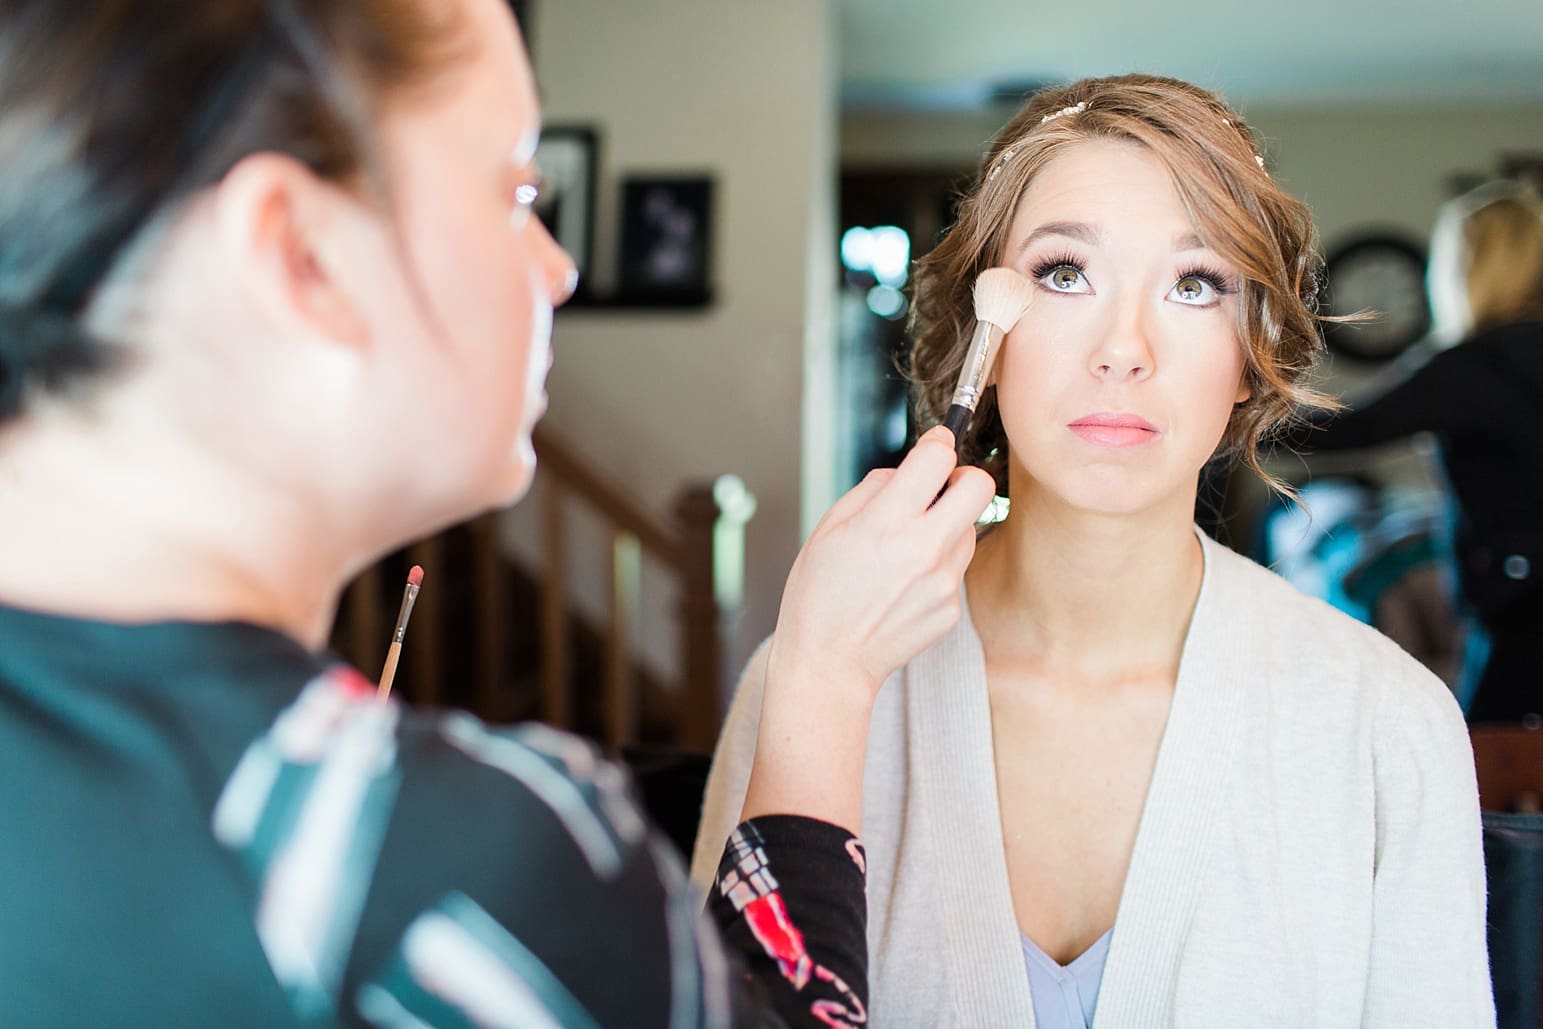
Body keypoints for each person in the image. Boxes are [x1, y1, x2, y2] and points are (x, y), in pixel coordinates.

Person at [0, 1, 995, 1025]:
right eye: (518, 192)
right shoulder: (445, 873)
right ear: (303, 253)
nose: (560, 271)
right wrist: (823, 678)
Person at [693, 74, 1495, 1027]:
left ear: (1251, 356)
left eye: (1194, 285)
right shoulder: (807, 690)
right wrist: (813, 681)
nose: (1124, 348)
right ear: (981, 335)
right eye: (1063, 272)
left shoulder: (1388, 726)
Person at [1294, 181, 1543, 723]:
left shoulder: (1482, 365)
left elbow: (1351, 430)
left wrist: (1233, 412)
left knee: (1483, 775)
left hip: (1519, 602)